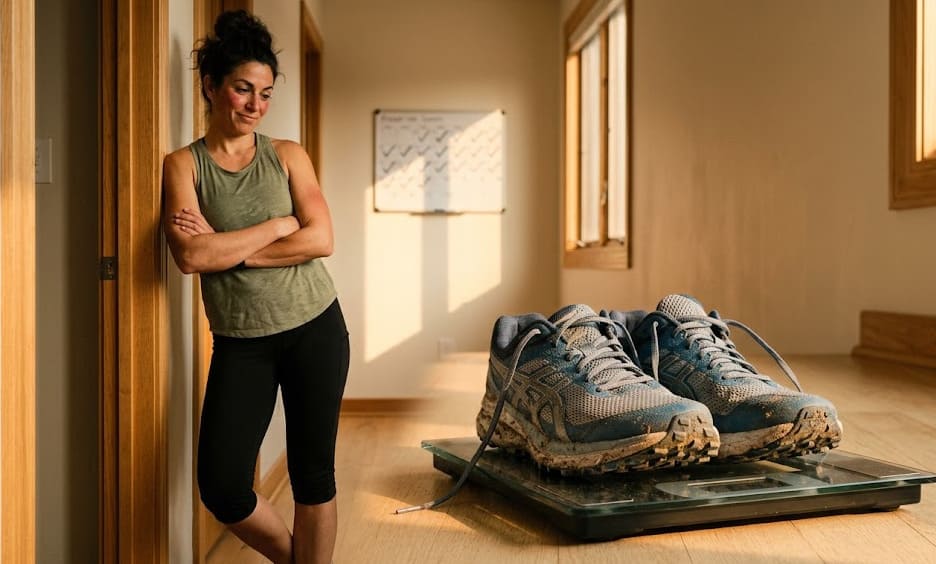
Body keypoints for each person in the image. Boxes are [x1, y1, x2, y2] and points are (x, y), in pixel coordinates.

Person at [162, 10, 348, 564]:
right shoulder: (183, 166)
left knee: (313, 473)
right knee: (222, 484)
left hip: (317, 327)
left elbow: (321, 240)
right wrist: (275, 226)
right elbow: (192, 255)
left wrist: (232, 249)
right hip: (242, 342)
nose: (254, 105)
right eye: (243, 89)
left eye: (264, 93)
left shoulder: (288, 155)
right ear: (211, 87)